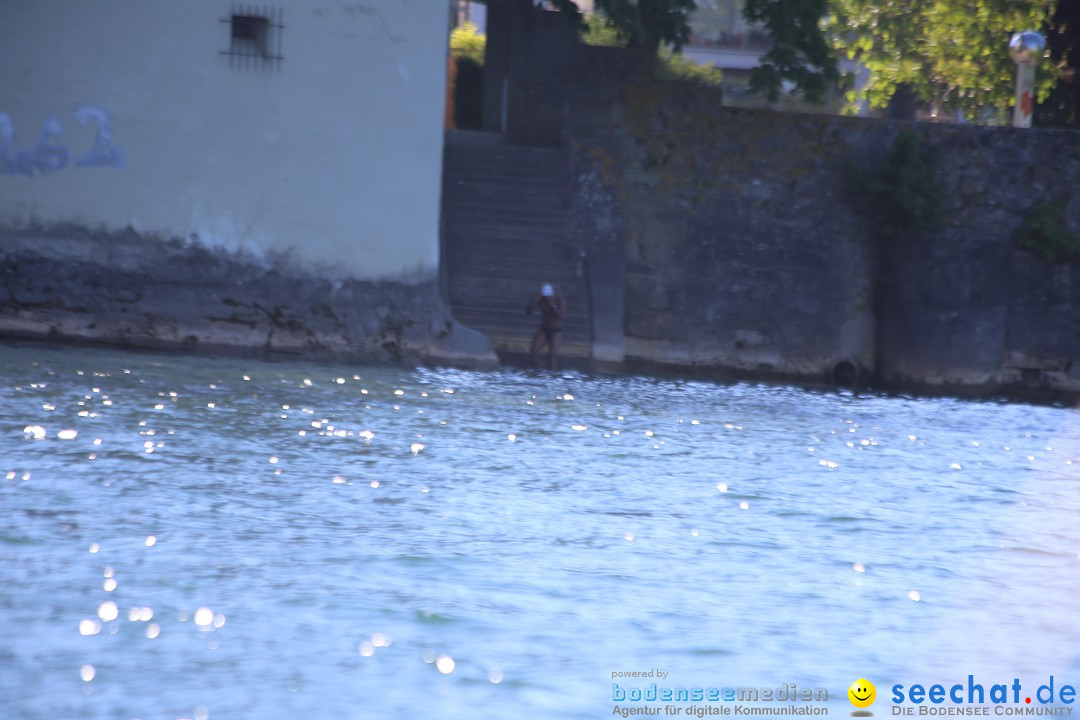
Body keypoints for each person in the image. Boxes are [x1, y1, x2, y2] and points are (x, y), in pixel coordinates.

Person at [526, 283, 565, 371]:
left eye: (549, 297)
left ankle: (552, 374)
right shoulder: (541, 301)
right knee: (533, 352)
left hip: (556, 330)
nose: (548, 299)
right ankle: (536, 371)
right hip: (544, 329)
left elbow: (562, 317)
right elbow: (528, 312)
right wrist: (534, 301)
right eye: (546, 297)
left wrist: (553, 308)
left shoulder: (559, 300)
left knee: (552, 355)